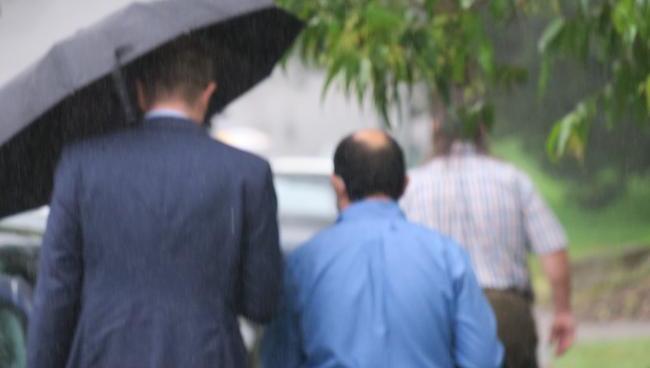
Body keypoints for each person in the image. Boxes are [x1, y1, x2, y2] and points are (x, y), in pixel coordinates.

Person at [27, 39, 283, 368]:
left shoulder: (82, 164)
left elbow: (56, 291)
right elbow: (262, 302)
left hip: (105, 355)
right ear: (207, 93)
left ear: (140, 93)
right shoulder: (248, 174)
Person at [262, 129, 503, 368]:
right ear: (405, 185)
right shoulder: (448, 257)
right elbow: (482, 359)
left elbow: (280, 359)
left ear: (337, 186)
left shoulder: (303, 263)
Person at [401, 110, 575, 368]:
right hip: (505, 313)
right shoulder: (512, 179)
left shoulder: (412, 185)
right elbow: (552, 248)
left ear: (435, 130)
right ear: (482, 130)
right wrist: (563, 311)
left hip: (438, 316)